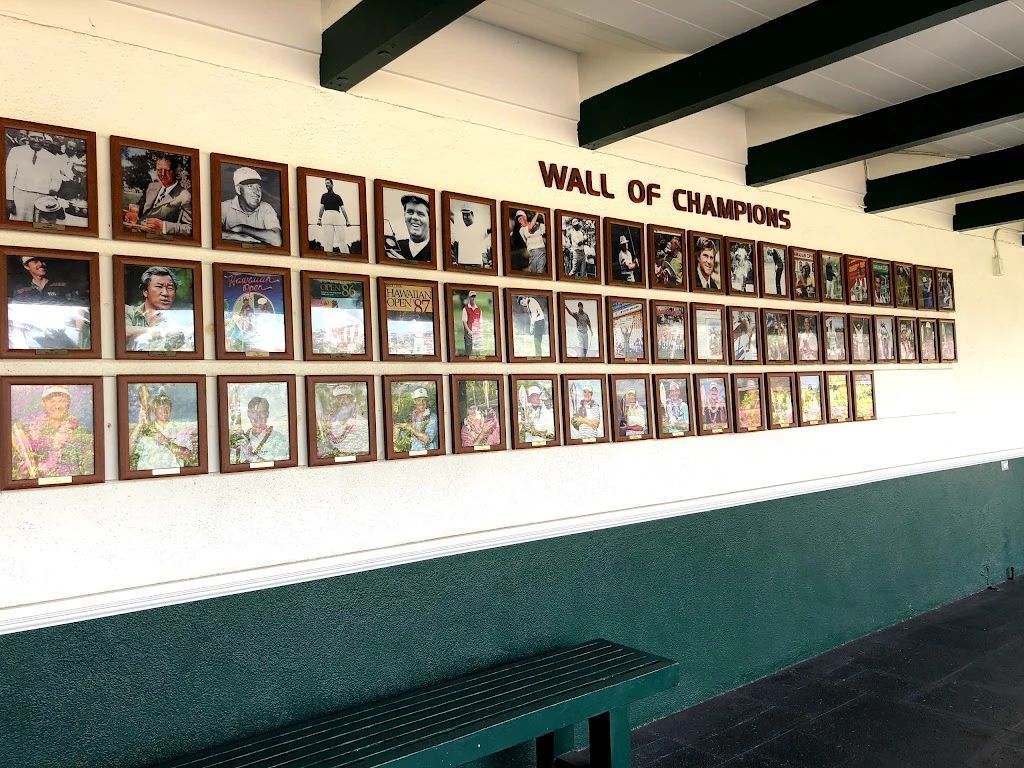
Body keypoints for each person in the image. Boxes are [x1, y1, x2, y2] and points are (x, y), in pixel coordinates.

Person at [11, 385, 93, 480]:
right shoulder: (31, 432)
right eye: (51, 401)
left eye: (61, 401)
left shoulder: (83, 435)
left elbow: (90, 475)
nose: (57, 406)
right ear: (43, 403)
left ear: (68, 403)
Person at [8, 254, 88, 349]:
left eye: (42, 261)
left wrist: (78, 335)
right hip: (33, 340)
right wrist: (18, 342)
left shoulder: (62, 285)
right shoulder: (21, 291)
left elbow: (79, 310)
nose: (41, 264)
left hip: (65, 339)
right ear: (26, 266)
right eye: (35, 262)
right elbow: (17, 319)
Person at [124, 266, 193, 352]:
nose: (165, 293)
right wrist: (159, 331)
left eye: (170, 288)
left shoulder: (180, 319)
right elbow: (123, 332)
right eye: (159, 286)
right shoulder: (128, 311)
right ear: (145, 291)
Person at [127, 387, 198, 471]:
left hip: (172, 474)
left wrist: (165, 441)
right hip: (146, 475)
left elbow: (188, 455)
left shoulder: (179, 430)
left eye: (167, 407)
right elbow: (128, 452)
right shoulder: (145, 430)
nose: (164, 410)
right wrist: (139, 425)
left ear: (171, 410)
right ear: (154, 410)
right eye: (160, 407)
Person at [130, 154, 192, 237]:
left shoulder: (185, 196)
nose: (162, 174)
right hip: (134, 233)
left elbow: (189, 228)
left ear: (174, 171)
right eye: (159, 170)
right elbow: (141, 206)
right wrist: (131, 213)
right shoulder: (152, 186)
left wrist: (164, 227)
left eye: (167, 170)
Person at [5, 131, 62, 222]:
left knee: (38, 226)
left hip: (42, 198)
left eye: (40, 138)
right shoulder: (16, 151)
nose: (36, 140)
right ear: (28, 137)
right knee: (19, 224)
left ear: (44, 139)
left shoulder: (52, 157)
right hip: (20, 197)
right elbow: (9, 176)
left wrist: (50, 196)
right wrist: (9, 199)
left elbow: (56, 179)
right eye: (33, 137)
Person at [221, 167, 282, 246]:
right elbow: (211, 233)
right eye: (250, 186)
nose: (256, 192)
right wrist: (239, 236)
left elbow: (277, 240)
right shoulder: (224, 207)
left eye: (258, 187)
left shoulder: (266, 208)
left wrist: (242, 228)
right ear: (238, 189)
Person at [231, 396, 289, 463]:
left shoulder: (280, 440)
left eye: (262, 412)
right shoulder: (242, 439)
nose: (257, 416)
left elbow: (281, 466)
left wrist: (251, 457)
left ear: (267, 414)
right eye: (253, 412)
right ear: (248, 414)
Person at [316, 384, 369, 457]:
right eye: (339, 398)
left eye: (345, 397)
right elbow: (327, 437)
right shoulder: (332, 417)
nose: (342, 401)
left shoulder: (360, 419)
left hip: (354, 454)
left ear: (350, 399)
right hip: (335, 454)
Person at [383, 193, 431, 261]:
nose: (414, 217)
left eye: (420, 214)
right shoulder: (393, 248)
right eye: (410, 212)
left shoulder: (438, 251)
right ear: (404, 215)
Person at [395, 387, 438, 451]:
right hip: (413, 451)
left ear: (427, 401)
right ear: (414, 401)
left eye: (424, 400)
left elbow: (427, 439)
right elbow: (407, 436)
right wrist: (398, 431)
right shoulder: (412, 416)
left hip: (428, 452)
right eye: (418, 400)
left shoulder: (432, 417)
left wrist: (409, 427)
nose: (421, 403)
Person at [316, 178, 351, 254]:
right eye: (325, 184)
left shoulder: (338, 197)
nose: (326, 185)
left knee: (341, 237)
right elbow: (321, 208)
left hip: (336, 216)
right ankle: (327, 255)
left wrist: (347, 220)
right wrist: (319, 219)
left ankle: (346, 255)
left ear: (332, 184)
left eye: (328, 183)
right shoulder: (324, 196)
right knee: (328, 239)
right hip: (327, 216)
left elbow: (343, 209)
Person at [516, 209, 547, 273]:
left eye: (520, 219)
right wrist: (537, 214)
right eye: (518, 220)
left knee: (541, 272)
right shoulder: (522, 230)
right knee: (534, 274)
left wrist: (543, 215)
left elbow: (547, 228)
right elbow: (530, 227)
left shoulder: (537, 224)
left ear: (525, 218)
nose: (519, 222)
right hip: (532, 253)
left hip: (541, 251)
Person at [461, 291, 483, 356]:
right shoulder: (465, 309)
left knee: (478, 352)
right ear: (469, 298)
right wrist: (469, 331)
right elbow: (464, 321)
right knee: (468, 351)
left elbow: (480, 322)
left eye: (474, 297)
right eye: (472, 297)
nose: (473, 298)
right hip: (468, 333)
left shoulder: (479, 309)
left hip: (477, 333)